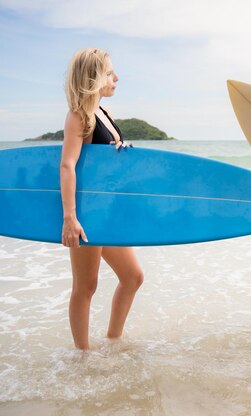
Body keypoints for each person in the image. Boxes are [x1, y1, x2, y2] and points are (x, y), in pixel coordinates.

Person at [60, 48, 143, 350]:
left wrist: (121, 149)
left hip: (107, 212)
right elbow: (68, 165)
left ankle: (113, 341)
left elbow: (100, 161)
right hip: (87, 214)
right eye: (110, 72)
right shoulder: (79, 116)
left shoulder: (104, 113)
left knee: (133, 277)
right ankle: (82, 356)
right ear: (93, 78)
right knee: (86, 287)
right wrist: (70, 217)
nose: (116, 78)